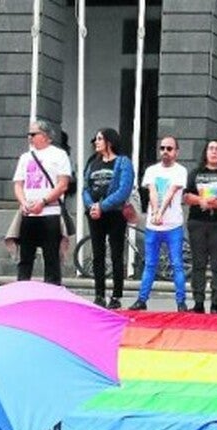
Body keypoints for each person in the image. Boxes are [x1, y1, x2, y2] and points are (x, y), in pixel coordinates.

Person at [9, 120, 72, 286]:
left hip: (50, 213)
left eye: (33, 134)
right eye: (29, 134)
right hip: (28, 212)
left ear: (45, 136)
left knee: (51, 257)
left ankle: (52, 291)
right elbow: (18, 184)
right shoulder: (25, 157)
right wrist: (23, 202)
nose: (30, 137)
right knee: (25, 257)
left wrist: (43, 202)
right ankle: (22, 290)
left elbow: (63, 184)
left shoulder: (59, 155)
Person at [130, 135, 189, 311]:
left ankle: (181, 301)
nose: (165, 152)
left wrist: (160, 213)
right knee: (150, 263)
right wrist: (155, 213)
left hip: (173, 225)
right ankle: (142, 299)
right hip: (153, 226)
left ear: (176, 152)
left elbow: (171, 192)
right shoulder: (152, 170)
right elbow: (152, 192)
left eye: (169, 149)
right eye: (162, 148)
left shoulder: (180, 171)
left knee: (177, 263)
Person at [82, 128, 135, 308]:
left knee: (116, 253)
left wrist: (102, 207)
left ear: (109, 142)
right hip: (95, 214)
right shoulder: (92, 163)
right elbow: (85, 188)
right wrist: (91, 206)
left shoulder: (123, 162)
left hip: (115, 214)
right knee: (98, 254)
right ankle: (99, 294)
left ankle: (116, 295)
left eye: (99, 139)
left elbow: (123, 189)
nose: (96, 143)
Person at [184, 139, 217, 314]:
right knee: (198, 263)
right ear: (205, 152)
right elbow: (186, 196)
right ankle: (198, 302)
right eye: (211, 149)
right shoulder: (195, 173)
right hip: (197, 222)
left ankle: (215, 303)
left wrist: (212, 204)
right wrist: (201, 200)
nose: (214, 152)